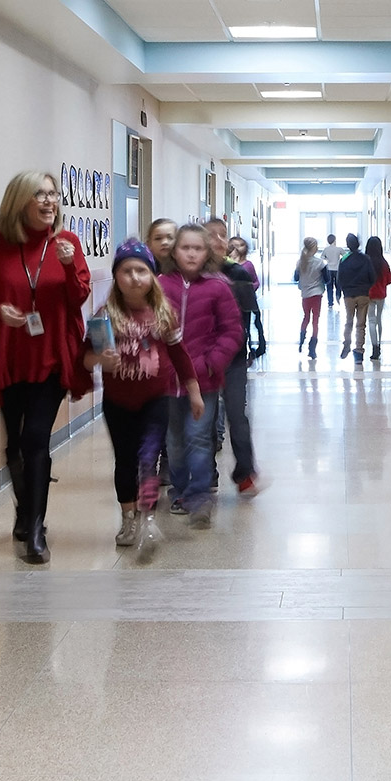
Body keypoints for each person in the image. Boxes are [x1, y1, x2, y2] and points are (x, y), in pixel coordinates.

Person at [0, 169, 93, 565]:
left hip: (53, 356)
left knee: (36, 438)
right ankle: (24, 512)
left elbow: (79, 298)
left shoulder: (67, 243)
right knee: (15, 444)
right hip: (9, 356)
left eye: (54, 194)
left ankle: (36, 528)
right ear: (20, 201)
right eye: (40, 194)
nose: (50, 201)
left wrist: (70, 267)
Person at [85, 238, 195, 558]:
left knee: (149, 457)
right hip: (118, 401)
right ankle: (128, 517)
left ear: (152, 276)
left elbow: (179, 353)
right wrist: (100, 360)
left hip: (155, 398)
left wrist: (194, 390)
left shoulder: (163, 312)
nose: (134, 277)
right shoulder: (104, 314)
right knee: (125, 459)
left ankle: (148, 517)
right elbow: (86, 359)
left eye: (141, 270)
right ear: (116, 277)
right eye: (127, 271)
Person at [159, 227, 241, 528]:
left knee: (198, 438)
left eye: (197, 248)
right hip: (167, 380)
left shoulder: (217, 287)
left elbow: (232, 331)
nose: (191, 254)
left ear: (207, 252)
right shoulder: (160, 285)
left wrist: (212, 363)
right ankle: (179, 490)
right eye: (185, 248)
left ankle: (200, 495)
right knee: (174, 441)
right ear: (174, 252)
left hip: (203, 380)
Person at [216, 229, 267, 497]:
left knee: (236, 413)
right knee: (202, 422)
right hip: (201, 358)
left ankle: (244, 471)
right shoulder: (188, 276)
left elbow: (249, 315)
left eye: (220, 236)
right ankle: (203, 481)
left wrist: (256, 344)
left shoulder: (238, 273)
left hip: (234, 356)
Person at [334, 232, 375, 364]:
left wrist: (340, 292)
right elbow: (372, 277)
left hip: (349, 295)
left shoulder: (344, 260)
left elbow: (339, 278)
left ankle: (347, 343)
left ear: (347, 245)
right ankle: (359, 351)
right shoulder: (366, 259)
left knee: (349, 321)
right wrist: (367, 287)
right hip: (363, 294)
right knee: (361, 324)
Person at [361, 235, 391, 363]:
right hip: (381, 294)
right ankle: (379, 344)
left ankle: (374, 347)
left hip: (368, 295)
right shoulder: (383, 263)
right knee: (379, 319)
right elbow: (389, 280)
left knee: (371, 321)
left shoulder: (364, 262)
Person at [294, 236, 327, 360]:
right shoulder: (319, 263)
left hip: (305, 295)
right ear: (314, 248)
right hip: (317, 294)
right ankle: (312, 348)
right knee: (315, 321)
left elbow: (296, 278)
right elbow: (327, 279)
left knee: (306, 317)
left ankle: (301, 341)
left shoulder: (300, 262)